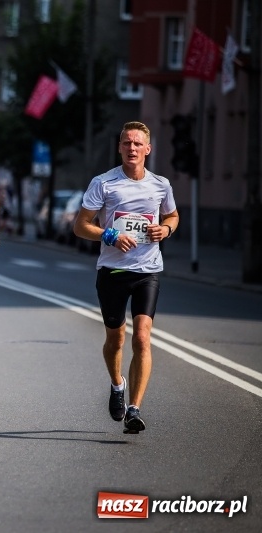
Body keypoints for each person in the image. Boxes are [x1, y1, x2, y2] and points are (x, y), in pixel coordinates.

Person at [73, 121, 179, 434]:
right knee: (115, 338)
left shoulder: (161, 185)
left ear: (148, 149)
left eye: (137, 144)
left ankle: (134, 409)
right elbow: (80, 226)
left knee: (143, 337)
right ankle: (117, 384)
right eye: (126, 143)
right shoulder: (104, 183)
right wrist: (108, 235)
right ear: (119, 148)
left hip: (147, 271)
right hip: (112, 271)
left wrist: (167, 229)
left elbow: (172, 215)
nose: (132, 148)